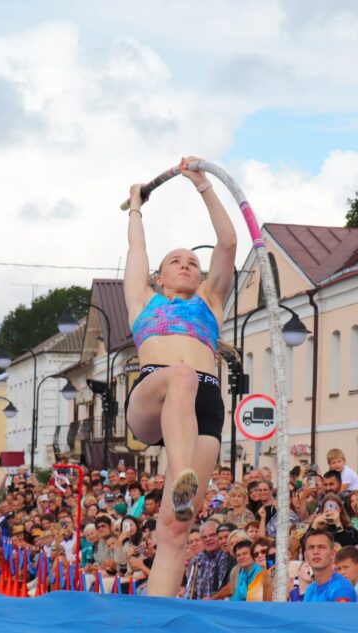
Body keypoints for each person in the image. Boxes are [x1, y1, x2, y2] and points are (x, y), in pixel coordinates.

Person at [124, 157, 236, 597]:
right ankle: (181, 469)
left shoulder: (211, 302)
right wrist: (137, 207)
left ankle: (156, 614)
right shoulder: (142, 299)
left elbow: (228, 243)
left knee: (174, 529)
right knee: (182, 375)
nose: (187, 265)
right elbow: (136, 249)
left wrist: (202, 185)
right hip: (155, 393)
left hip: (205, 404)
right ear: (159, 276)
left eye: (193, 261)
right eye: (176, 261)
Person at [301, 530, 358, 602]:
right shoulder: (310, 590)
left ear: (333, 554)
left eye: (322, 547)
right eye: (311, 547)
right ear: (305, 556)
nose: (316, 552)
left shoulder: (342, 588)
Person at [185, 522, 233, 600]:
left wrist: (212, 599)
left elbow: (229, 587)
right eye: (204, 537)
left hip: (219, 604)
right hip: (199, 605)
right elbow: (190, 591)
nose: (208, 539)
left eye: (212, 535)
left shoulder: (227, 556)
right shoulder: (197, 559)